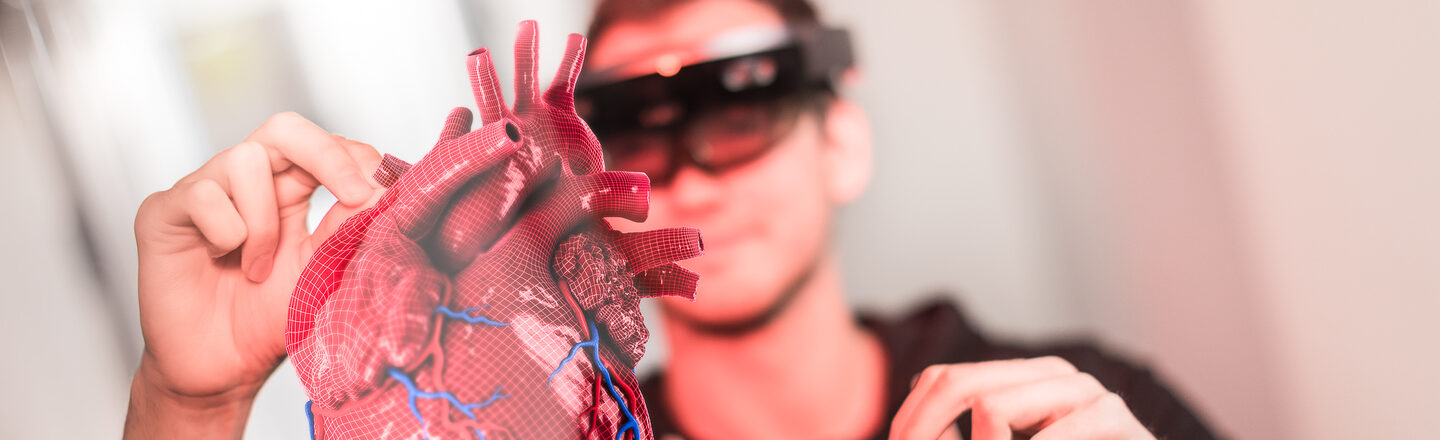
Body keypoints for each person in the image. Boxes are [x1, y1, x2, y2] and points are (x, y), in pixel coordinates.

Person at [124, 0, 1216, 438]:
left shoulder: (1066, 412)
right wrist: (189, 397)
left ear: (841, 138)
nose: (690, 178)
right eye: (638, 135)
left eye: (741, 114)